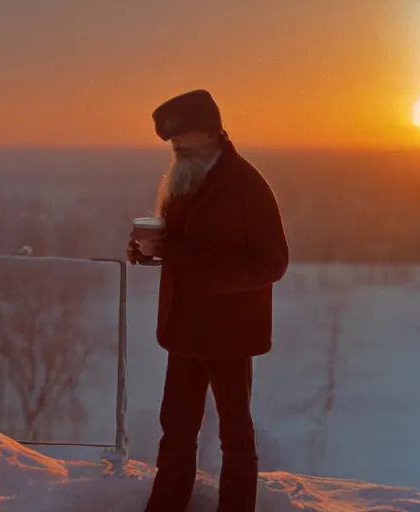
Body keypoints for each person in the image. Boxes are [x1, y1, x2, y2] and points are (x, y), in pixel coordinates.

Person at [127, 89, 289, 512]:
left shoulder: (246, 186)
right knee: (176, 431)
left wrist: (176, 255)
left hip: (229, 333)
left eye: (182, 140)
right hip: (184, 329)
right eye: (172, 143)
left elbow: (272, 263)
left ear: (212, 133)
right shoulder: (186, 176)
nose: (175, 148)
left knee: (235, 435)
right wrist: (146, 249)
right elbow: (177, 244)